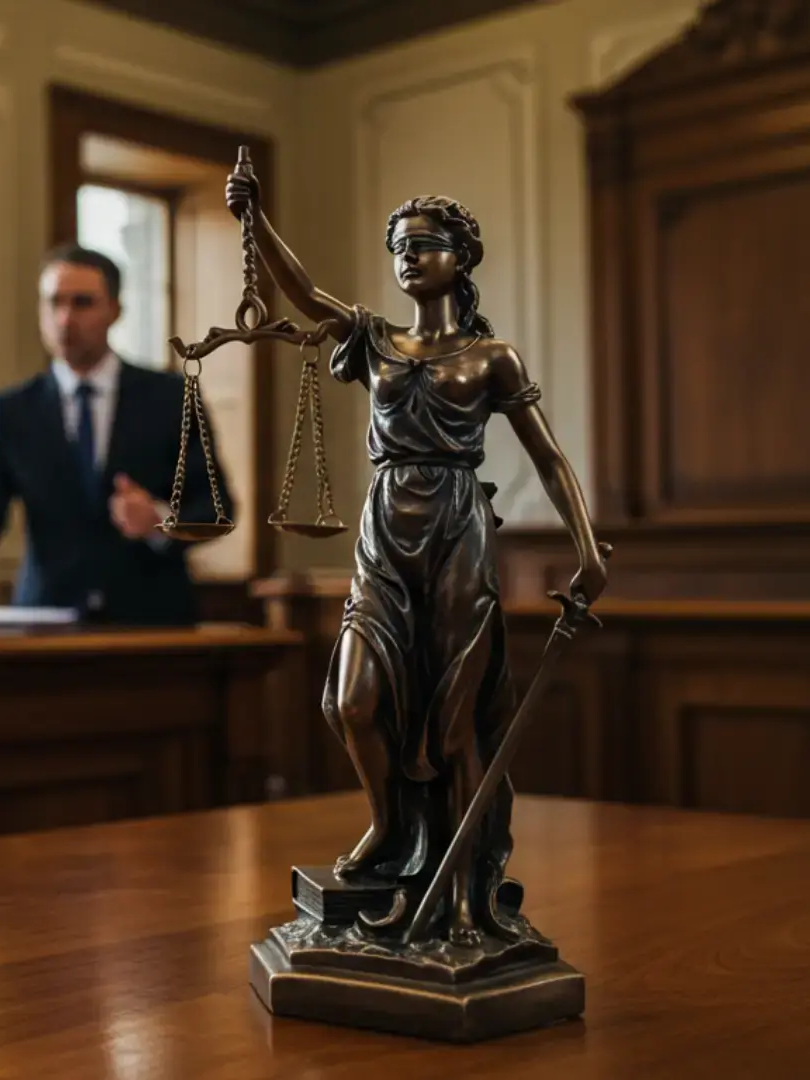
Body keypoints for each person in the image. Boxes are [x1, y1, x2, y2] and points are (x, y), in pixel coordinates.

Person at [226, 168, 607, 945]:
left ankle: (464, 891)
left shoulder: (491, 357)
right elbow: (304, 294)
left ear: (460, 258)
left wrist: (587, 549)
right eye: (399, 247)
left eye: (425, 244)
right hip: (383, 531)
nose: (408, 257)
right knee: (352, 701)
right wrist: (256, 217)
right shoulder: (374, 339)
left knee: (457, 715)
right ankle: (390, 830)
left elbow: (549, 457)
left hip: (457, 532)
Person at [0, 245, 231, 626]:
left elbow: (217, 507)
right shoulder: (14, 410)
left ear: (115, 311)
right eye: (54, 303)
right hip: (45, 625)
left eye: (83, 303)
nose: (65, 319)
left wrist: (160, 520)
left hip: (152, 622)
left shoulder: (171, 398)